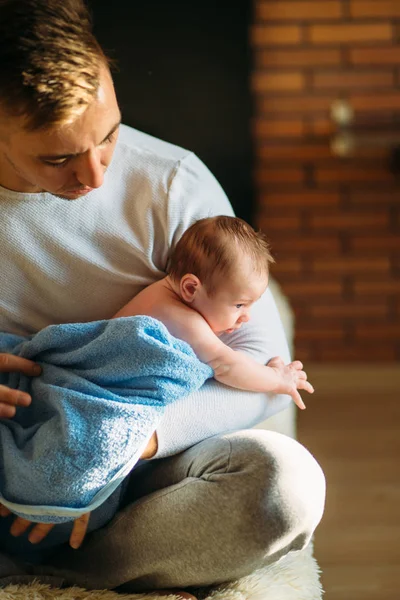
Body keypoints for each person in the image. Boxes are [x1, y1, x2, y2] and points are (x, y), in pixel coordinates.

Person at [0, 1, 326, 598]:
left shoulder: (171, 182)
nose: (97, 175)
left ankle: (71, 573)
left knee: (284, 484)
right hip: (11, 446)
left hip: (139, 470)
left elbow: (253, 356)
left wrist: (121, 445)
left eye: (109, 134)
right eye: (59, 157)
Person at [114, 215, 313, 410]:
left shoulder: (165, 293)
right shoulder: (182, 319)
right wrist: (277, 379)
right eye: (239, 305)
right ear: (191, 289)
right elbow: (227, 366)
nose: (247, 317)